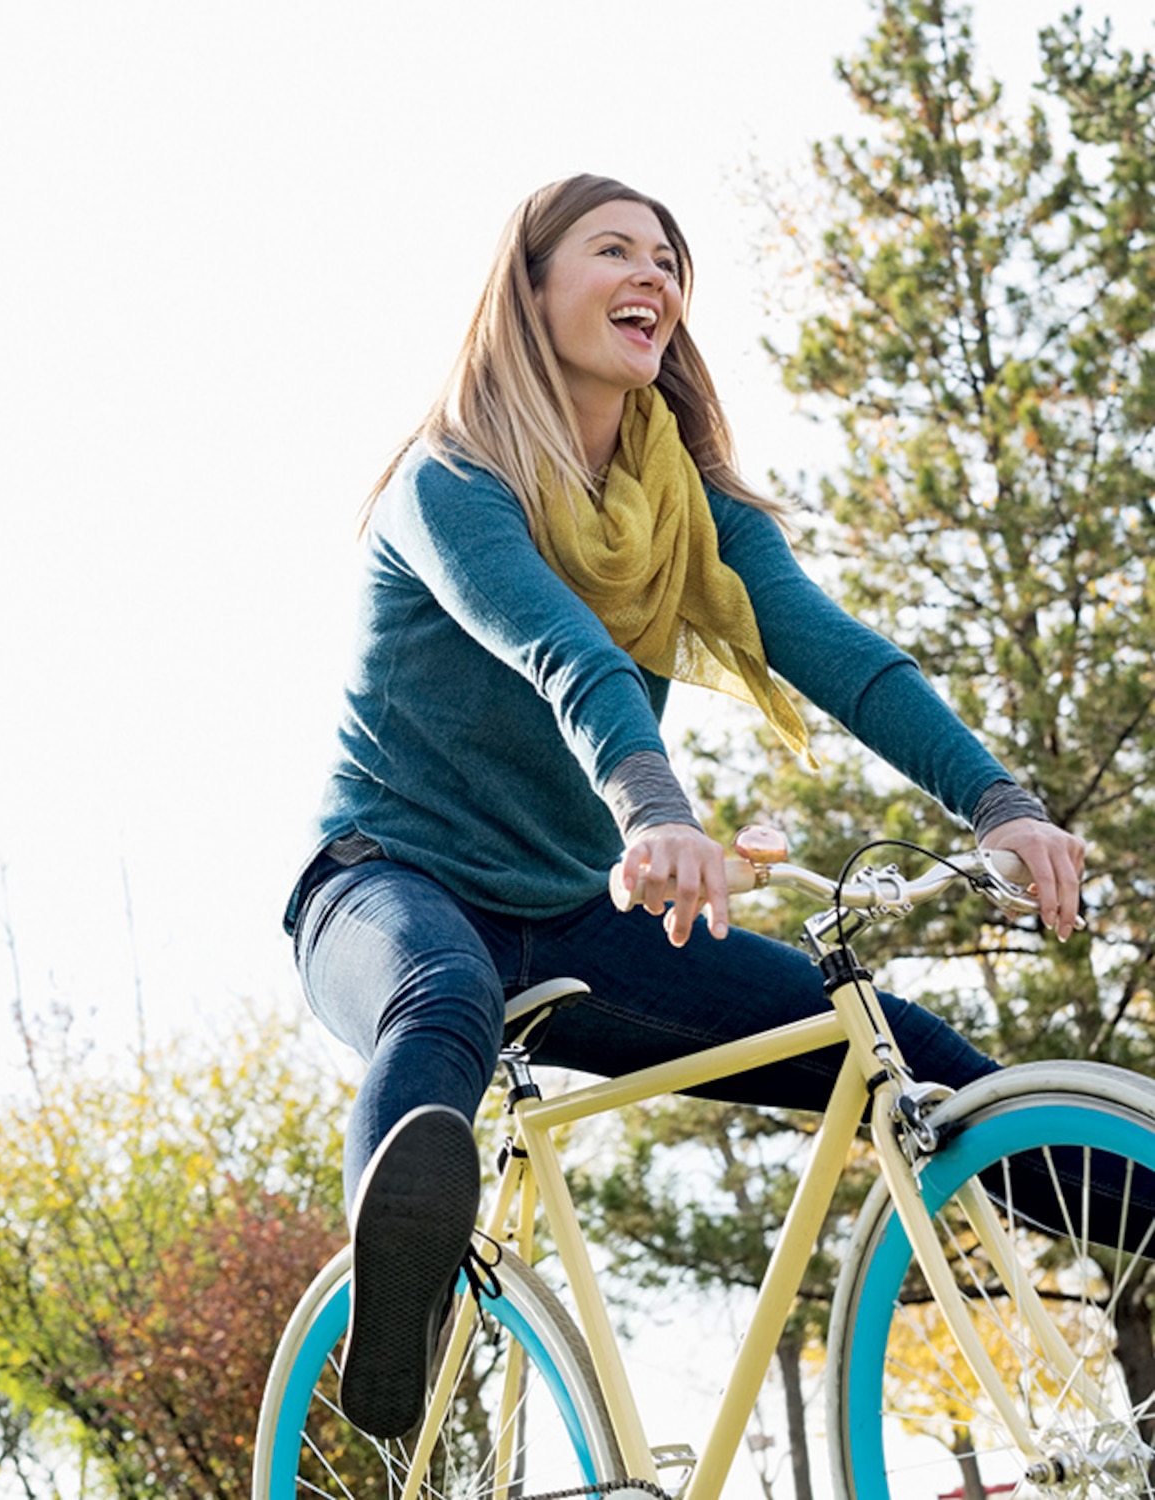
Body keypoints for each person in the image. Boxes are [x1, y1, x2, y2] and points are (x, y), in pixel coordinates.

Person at [283, 173, 1086, 1441]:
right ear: (530, 288)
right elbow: (568, 654)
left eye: (669, 259)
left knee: (899, 1051)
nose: (653, 276)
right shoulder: (450, 480)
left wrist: (999, 803)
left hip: (574, 916)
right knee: (441, 996)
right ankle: (398, 1338)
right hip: (388, 885)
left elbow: (842, 656)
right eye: (615, 251)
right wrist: (653, 807)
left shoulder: (685, 511)